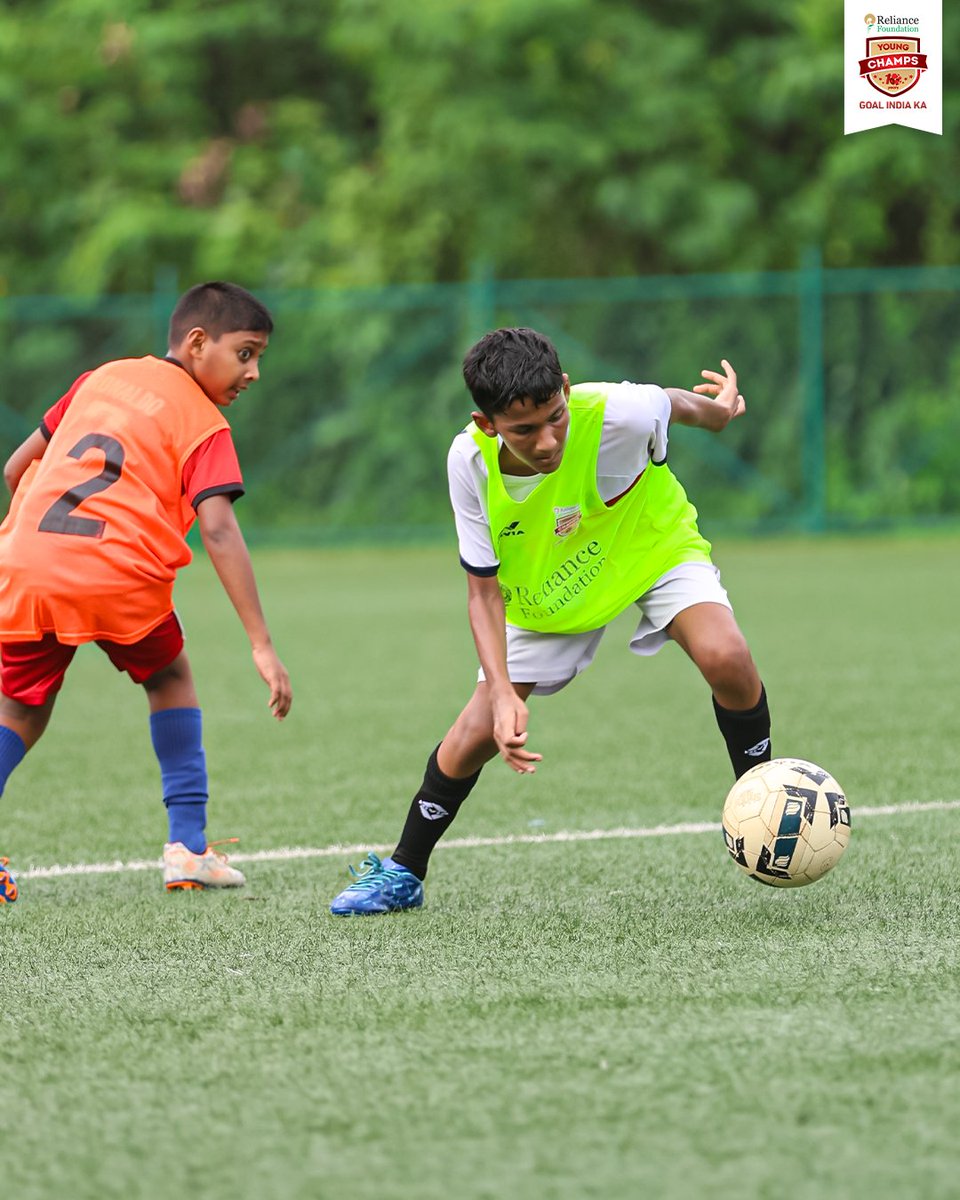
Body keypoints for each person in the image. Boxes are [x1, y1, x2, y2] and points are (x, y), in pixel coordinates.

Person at [330, 326, 771, 915]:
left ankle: (765, 806)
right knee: (474, 733)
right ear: (487, 423)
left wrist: (718, 413)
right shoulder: (469, 462)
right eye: (523, 430)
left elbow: (673, 403)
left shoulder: (619, 412)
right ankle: (404, 870)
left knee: (727, 656)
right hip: (548, 590)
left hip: (649, 545)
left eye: (555, 417)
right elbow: (482, 593)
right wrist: (502, 692)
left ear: (565, 388)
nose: (546, 441)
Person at [0, 281, 292, 903]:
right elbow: (218, 528)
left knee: (20, 710)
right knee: (168, 678)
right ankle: (188, 848)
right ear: (197, 343)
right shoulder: (203, 422)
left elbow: (15, 468)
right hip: (118, 577)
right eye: (245, 353)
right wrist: (261, 643)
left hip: (24, 567)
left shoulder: (100, 378)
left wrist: (42, 546)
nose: (254, 373)